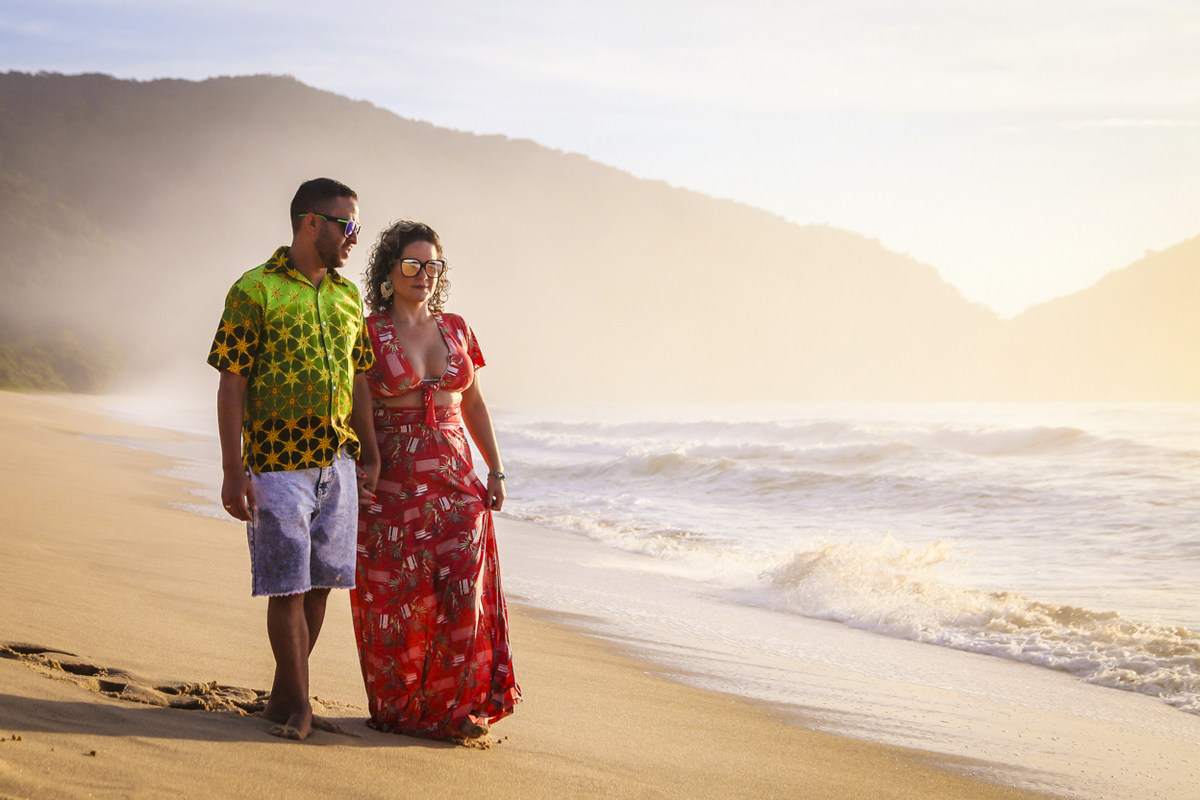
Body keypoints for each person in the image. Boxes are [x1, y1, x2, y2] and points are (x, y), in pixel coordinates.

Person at [207, 177, 379, 741]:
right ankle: (300, 705)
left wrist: (369, 454)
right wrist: (234, 470)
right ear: (312, 222)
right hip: (276, 464)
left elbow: (359, 380)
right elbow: (231, 383)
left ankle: (283, 698)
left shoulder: (348, 297)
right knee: (286, 586)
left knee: (322, 584)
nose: (354, 237)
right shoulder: (254, 289)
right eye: (346, 224)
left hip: (338, 462)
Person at [351, 220, 520, 741]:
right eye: (412, 264)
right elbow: (358, 406)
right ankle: (402, 709)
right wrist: (369, 463)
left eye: (432, 265)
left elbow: (472, 401)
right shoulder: (367, 330)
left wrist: (494, 468)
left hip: (456, 481)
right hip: (392, 486)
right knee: (397, 602)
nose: (423, 274)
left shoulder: (458, 327)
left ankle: (459, 708)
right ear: (389, 270)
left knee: (462, 594)